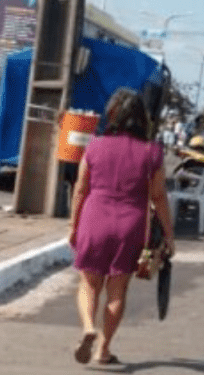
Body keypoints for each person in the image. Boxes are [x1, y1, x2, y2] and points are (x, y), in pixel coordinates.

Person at [69, 87, 176, 365]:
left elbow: (80, 189)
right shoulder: (152, 152)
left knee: (88, 284)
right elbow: (158, 197)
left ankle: (88, 328)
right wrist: (168, 234)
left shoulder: (94, 145)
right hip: (130, 225)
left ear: (113, 115)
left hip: (95, 218)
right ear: (142, 119)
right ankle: (104, 350)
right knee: (117, 291)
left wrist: (74, 225)